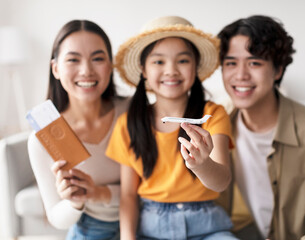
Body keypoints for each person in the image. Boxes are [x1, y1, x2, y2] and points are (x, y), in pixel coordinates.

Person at [217, 15, 305, 240]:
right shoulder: (217, 127)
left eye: (255, 63)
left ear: (278, 70)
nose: (241, 75)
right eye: (231, 63)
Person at [106, 16, 238, 240]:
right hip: (151, 227)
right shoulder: (127, 124)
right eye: (158, 62)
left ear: (195, 66)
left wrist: (203, 164)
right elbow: (128, 195)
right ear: (143, 69)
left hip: (207, 227)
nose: (171, 71)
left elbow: (222, 181)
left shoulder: (213, 115)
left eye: (183, 61)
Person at [28, 20, 129, 240]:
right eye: (73, 59)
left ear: (110, 66)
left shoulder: (132, 112)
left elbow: (157, 185)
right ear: (55, 68)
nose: (86, 71)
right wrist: (75, 201)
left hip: (147, 219)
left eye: (98, 58)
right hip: (89, 229)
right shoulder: (43, 136)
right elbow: (56, 217)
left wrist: (101, 193)